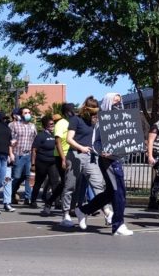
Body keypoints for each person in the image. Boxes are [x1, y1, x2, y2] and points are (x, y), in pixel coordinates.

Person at [73, 93, 132, 236]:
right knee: (119, 191)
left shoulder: (122, 119)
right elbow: (96, 142)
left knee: (110, 192)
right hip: (108, 161)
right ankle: (118, 225)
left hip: (118, 159)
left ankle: (83, 210)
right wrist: (102, 152)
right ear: (107, 103)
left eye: (119, 102)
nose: (117, 104)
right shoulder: (102, 121)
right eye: (114, 102)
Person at [60, 97, 111, 228]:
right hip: (76, 154)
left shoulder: (95, 123)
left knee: (98, 184)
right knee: (70, 186)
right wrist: (81, 147)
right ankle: (65, 214)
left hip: (91, 156)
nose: (95, 115)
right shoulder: (75, 120)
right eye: (93, 112)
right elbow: (69, 139)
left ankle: (107, 211)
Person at [31, 115, 61, 210]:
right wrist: (33, 164)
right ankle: (33, 201)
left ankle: (56, 202)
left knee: (55, 183)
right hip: (41, 163)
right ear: (45, 126)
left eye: (53, 124)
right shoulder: (40, 136)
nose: (53, 126)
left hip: (53, 163)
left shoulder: (55, 135)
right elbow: (34, 150)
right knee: (38, 183)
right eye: (51, 125)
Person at [9, 106, 37, 205]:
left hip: (29, 155)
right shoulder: (14, 125)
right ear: (21, 115)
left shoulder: (33, 126)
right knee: (16, 177)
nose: (28, 114)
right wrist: (11, 153)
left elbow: (35, 140)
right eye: (25, 113)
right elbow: (10, 139)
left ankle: (27, 198)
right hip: (18, 154)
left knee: (29, 176)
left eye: (29, 112)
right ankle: (11, 194)